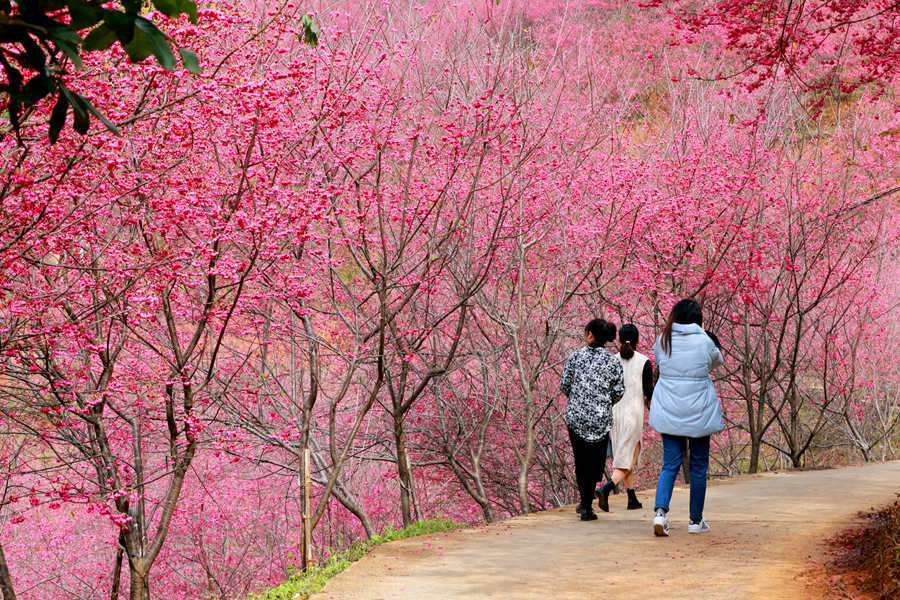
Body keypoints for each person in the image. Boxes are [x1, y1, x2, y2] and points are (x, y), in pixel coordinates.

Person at [648, 299, 724, 537]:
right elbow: (716, 362)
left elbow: (659, 361)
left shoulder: (664, 340)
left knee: (670, 464)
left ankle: (660, 513)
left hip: (669, 409)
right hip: (699, 411)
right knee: (699, 466)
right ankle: (695, 520)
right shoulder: (705, 341)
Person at [560, 318, 625, 521]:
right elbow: (618, 391)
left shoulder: (576, 357)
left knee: (581, 462)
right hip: (600, 420)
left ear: (590, 334)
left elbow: (565, 385)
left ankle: (585, 504)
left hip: (577, 419)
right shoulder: (613, 361)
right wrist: (604, 404)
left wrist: (579, 398)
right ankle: (586, 503)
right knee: (596, 464)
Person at [595, 324, 654, 512]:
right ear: (637, 340)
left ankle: (632, 497)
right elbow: (648, 392)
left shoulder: (611, 361)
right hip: (633, 413)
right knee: (628, 455)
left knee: (626, 453)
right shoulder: (644, 362)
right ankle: (606, 488)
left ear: (619, 340)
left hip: (615, 414)